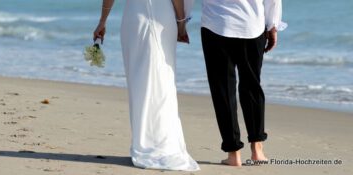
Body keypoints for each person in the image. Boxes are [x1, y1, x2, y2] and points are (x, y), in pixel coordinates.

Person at [93, 0, 199, 171]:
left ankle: (145, 141)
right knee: (163, 84)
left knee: (140, 84)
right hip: (162, 20)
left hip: (133, 19)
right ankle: (160, 144)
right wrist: (181, 23)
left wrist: (102, 21)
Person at [200, 0, 286, 166]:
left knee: (223, 90)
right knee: (252, 87)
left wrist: (182, 21)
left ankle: (233, 154)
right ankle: (257, 150)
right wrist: (272, 25)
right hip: (251, 25)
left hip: (215, 24)